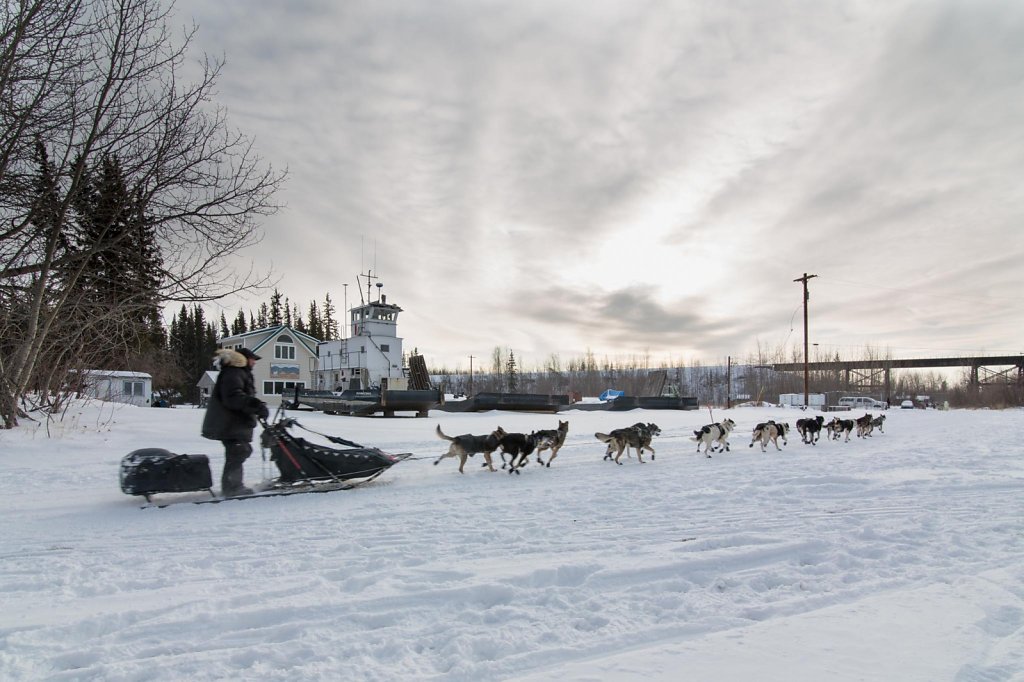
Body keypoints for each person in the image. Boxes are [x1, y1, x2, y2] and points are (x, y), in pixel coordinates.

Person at [201, 347, 270, 496]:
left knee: (239, 451)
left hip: (233, 423)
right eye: (253, 360)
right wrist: (256, 405)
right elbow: (234, 397)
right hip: (229, 424)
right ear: (244, 359)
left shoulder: (238, 372)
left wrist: (255, 408)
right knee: (238, 451)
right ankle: (232, 488)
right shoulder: (234, 372)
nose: (254, 363)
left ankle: (232, 485)